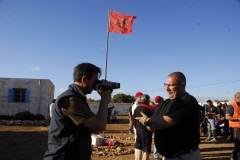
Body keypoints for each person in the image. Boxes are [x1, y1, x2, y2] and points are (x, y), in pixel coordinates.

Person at [43, 62, 112, 160]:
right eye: (95, 81)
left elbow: (96, 130)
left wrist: (105, 100)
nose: (96, 85)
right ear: (84, 79)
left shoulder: (78, 98)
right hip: (64, 156)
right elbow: (99, 125)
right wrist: (104, 99)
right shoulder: (70, 99)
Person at [135, 72, 201, 160]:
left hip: (184, 156)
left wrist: (147, 121)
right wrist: (151, 123)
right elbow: (153, 126)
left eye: (170, 85)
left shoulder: (187, 101)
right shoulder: (166, 102)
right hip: (168, 157)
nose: (167, 88)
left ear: (182, 85)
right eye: (165, 85)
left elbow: (165, 122)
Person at [133, 94, 154, 160]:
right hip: (146, 130)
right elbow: (154, 119)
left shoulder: (136, 108)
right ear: (148, 100)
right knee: (146, 149)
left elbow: (133, 120)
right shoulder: (150, 108)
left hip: (138, 129)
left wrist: (136, 127)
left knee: (139, 147)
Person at [226, 92, 240, 160]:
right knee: (238, 144)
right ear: (237, 98)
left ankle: (234, 155)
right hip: (235, 128)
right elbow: (227, 117)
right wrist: (237, 118)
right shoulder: (231, 106)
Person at [152, 95, 164, 160]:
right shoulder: (161, 108)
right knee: (160, 140)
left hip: (152, 125)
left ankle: (156, 154)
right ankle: (157, 154)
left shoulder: (152, 107)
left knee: (156, 140)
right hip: (160, 125)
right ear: (160, 101)